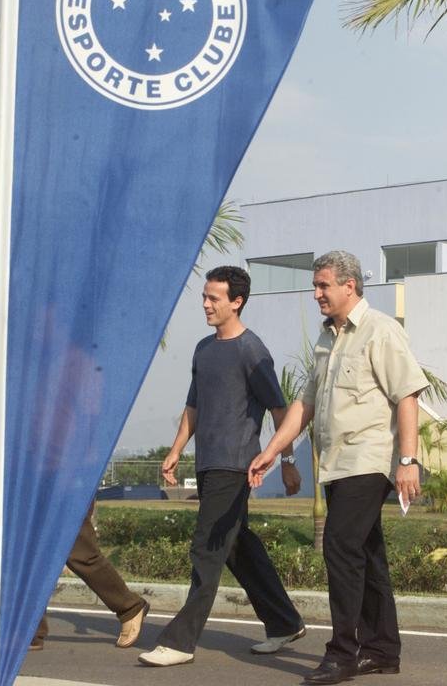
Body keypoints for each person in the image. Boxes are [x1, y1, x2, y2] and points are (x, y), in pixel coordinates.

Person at [249, 251, 429, 685]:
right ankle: (382, 650)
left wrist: (408, 461)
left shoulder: (381, 331)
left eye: (323, 285)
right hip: (336, 464)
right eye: (315, 286)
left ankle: (343, 653)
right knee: (367, 553)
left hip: (368, 459)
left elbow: (407, 395)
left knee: (340, 546)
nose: (316, 293)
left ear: (350, 286)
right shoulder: (327, 338)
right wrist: (274, 449)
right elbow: (306, 402)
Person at [138, 265, 305, 667]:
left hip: (235, 464)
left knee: (206, 548)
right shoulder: (203, 349)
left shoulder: (252, 350)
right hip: (209, 462)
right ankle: (284, 621)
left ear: (237, 302)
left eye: (213, 298)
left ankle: (179, 642)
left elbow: (280, 411)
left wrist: (286, 460)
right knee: (236, 546)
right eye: (204, 296)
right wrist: (177, 449)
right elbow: (193, 405)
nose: (205, 304)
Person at [30, 501, 149, 650]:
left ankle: (129, 606)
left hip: (65, 491)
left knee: (80, 552)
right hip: (26, 490)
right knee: (31, 557)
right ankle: (29, 631)